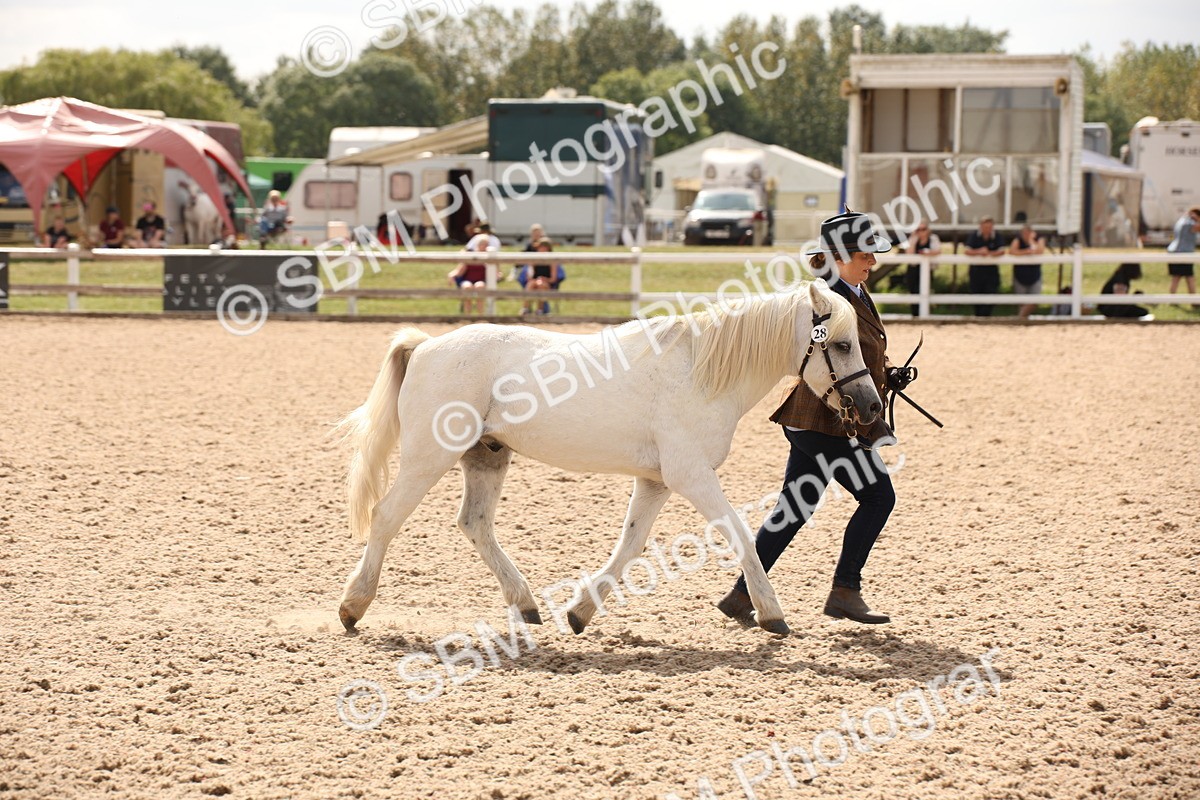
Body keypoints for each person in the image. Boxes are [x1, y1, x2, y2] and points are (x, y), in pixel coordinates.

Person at [716, 211, 906, 628]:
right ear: (838, 256)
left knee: (796, 507)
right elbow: (820, 354)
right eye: (865, 255)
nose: (872, 262)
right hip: (827, 422)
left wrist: (885, 373)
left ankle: (741, 594)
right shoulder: (824, 299)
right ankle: (845, 590)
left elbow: (855, 353)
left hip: (815, 422)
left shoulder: (854, 290)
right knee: (878, 499)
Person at [448, 223, 499, 314]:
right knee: (467, 287)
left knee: (479, 286)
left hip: (482, 280)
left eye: (485, 244)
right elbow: (460, 269)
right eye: (482, 244)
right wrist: (452, 275)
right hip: (469, 279)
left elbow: (496, 271)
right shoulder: (471, 254)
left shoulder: (489, 255)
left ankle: (480, 316)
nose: (484, 246)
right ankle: (468, 316)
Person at [963, 216, 1005, 316]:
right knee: (976, 294)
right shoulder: (974, 235)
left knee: (991, 293)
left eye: (989, 227)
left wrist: (989, 253)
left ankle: (986, 316)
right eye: (985, 227)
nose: (987, 229)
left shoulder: (997, 236)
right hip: (976, 271)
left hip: (991, 271)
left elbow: (1002, 251)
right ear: (981, 226)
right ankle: (978, 316)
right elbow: (967, 250)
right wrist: (979, 251)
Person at [902, 220, 940, 316]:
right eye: (918, 229)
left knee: (925, 291)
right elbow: (909, 252)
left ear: (928, 230)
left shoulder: (933, 239)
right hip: (913, 270)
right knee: (913, 291)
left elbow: (938, 250)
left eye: (923, 229)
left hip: (927, 270)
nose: (921, 231)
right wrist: (914, 238)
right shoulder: (913, 239)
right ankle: (915, 315)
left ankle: (925, 313)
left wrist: (928, 253)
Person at [1009, 224, 1045, 319]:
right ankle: (1023, 320)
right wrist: (1026, 251)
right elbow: (1012, 251)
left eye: (1028, 233)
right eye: (1024, 233)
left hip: (1035, 274)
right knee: (1021, 302)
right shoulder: (1017, 240)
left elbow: (1040, 251)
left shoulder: (1038, 239)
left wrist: (1031, 240)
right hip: (1020, 275)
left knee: (1034, 301)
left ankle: (1020, 318)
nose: (1026, 235)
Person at [521, 237, 562, 315]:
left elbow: (553, 279)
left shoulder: (552, 261)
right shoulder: (534, 259)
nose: (542, 249)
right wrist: (531, 268)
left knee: (541, 285)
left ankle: (540, 310)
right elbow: (529, 277)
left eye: (544, 247)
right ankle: (525, 309)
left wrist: (544, 279)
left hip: (547, 283)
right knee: (531, 284)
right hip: (534, 282)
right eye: (540, 247)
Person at [1166, 206, 1199, 297]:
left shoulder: (1181, 221)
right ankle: (1194, 300)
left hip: (1173, 250)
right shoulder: (1191, 223)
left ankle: (1172, 299)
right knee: (1190, 277)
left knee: (1176, 277)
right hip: (1184, 252)